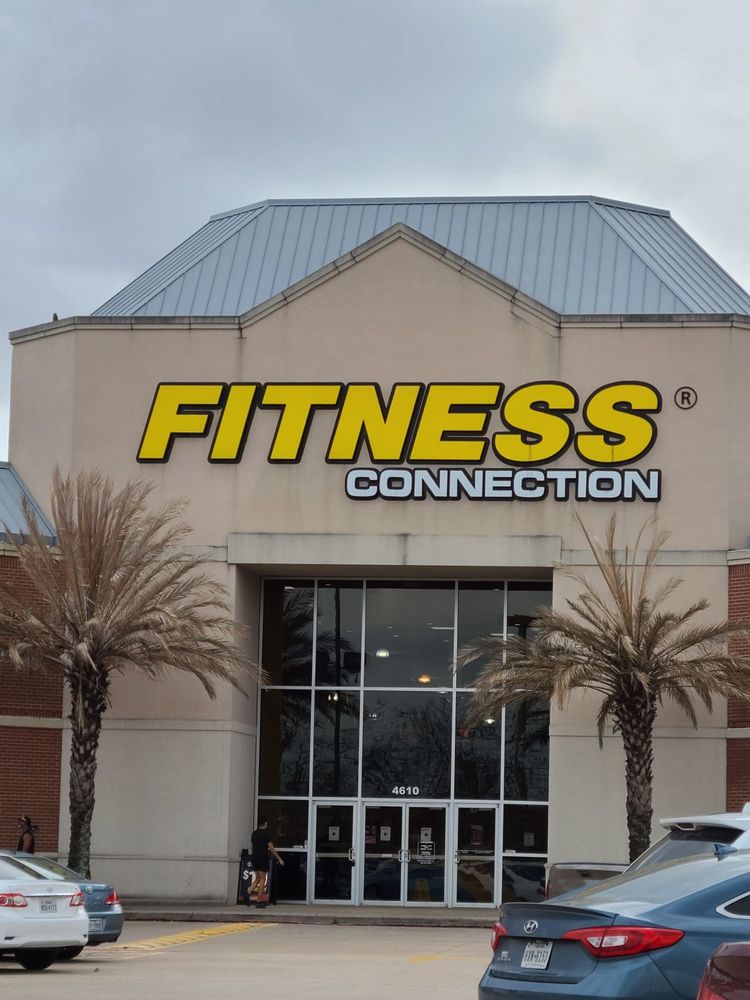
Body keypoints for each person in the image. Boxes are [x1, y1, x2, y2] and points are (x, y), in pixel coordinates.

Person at [249, 817, 284, 905]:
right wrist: (279, 859)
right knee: (262, 879)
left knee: (257, 878)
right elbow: (271, 848)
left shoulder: (254, 833)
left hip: (254, 857)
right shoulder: (266, 834)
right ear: (265, 823)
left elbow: (252, 846)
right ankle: (258, 900)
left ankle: (247, 893)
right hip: (262, 858)